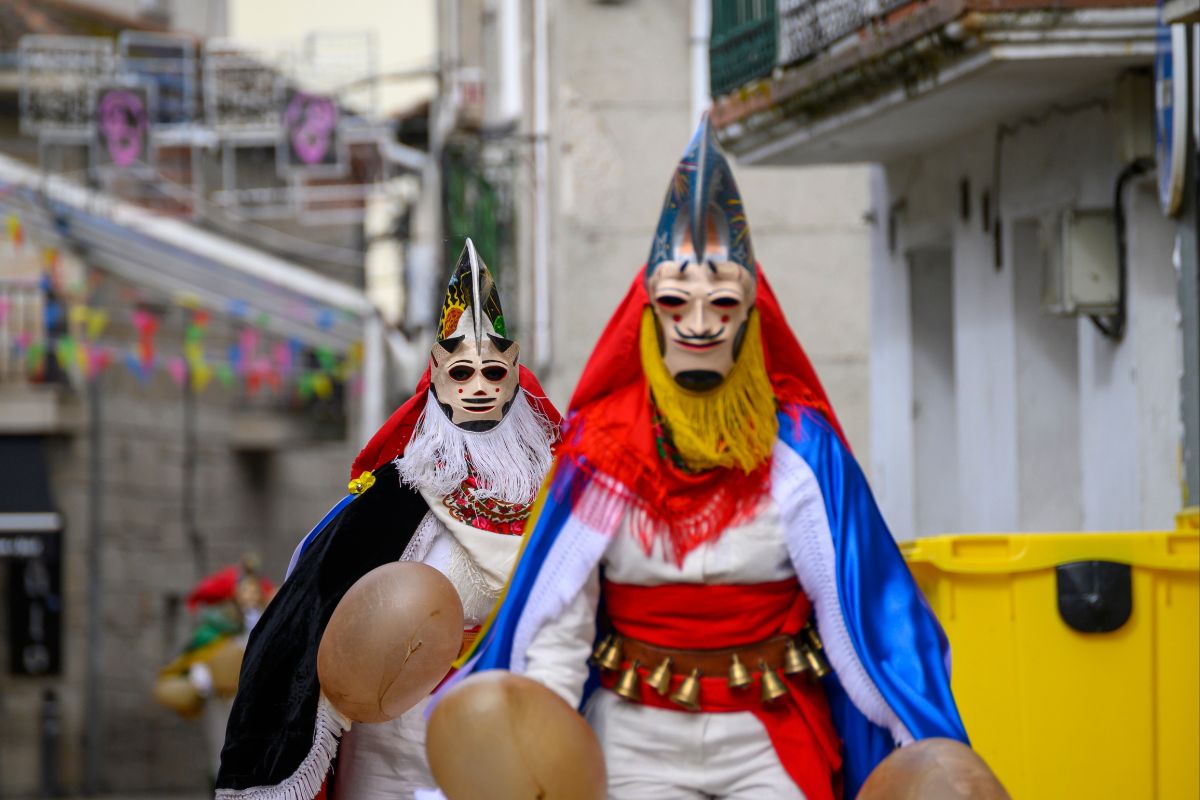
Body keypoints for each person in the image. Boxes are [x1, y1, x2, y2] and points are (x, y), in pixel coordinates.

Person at [452, 118, 969, 800]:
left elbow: (862, 614)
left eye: (721, 302)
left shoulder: (802, 448)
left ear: (751, 316)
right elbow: (556, 624)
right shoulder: (600, 450)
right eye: (676, 302)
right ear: (650, 314)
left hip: (771, 732)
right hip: (633, 736)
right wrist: (540, 746)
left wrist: (914, 741)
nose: (698, 324)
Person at [214, 239, 561, 800]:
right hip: (395, 743)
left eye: (493, 373)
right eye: (462, 372)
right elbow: (310, 610)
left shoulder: (554, 501)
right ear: (436, 376)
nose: (476, 389)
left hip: (510, 737)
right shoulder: (391, 503)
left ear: (516, 375)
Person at [154, 555, 274, 782]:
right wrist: (201, 670)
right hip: (223, 696)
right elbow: (199, 651)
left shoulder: (268, 619)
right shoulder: (220, 623)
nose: (249, 595)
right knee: (221, 754)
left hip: (257, 697)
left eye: (253, 590)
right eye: (244, 589)